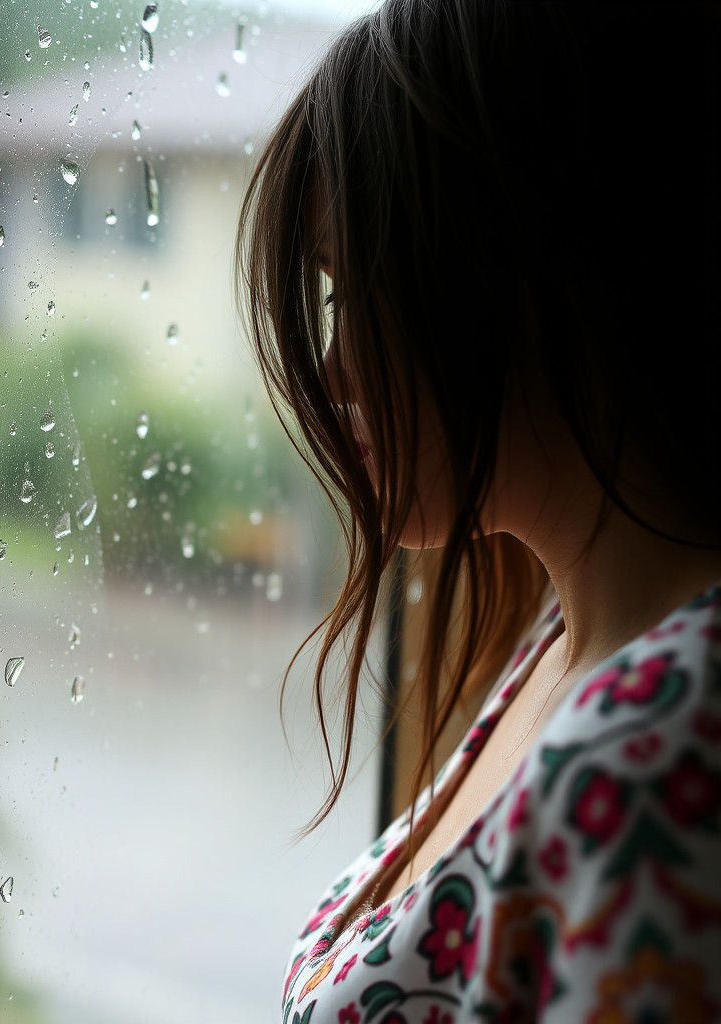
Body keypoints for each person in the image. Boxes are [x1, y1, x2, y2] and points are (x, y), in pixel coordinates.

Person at [235, 1, 721, 1020]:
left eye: (354, 290)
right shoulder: (570, 637)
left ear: (516, 268)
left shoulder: (655, 749)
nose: (334, 370)